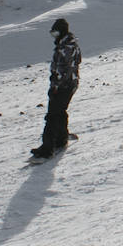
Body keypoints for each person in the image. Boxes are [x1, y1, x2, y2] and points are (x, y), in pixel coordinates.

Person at [31, 17, 82, 159]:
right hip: (69, 84)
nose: (54, 37)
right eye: (52, 34)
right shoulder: (68, 44)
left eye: (56, 33)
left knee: (52, 116)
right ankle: (61, 139)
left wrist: (55, 86)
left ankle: (47, 149)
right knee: (59, 112)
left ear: (62, 32)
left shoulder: (66, 47)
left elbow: (64, 70)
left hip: (64, 86)